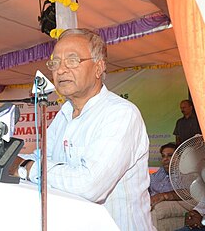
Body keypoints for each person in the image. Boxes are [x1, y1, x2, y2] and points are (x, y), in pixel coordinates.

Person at [12, 28, 153, 230]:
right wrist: (4, 157)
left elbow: (90, 186)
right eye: (55, 62)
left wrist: (26, 167)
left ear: (98, 67)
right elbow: (41, 157)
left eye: (72, 60)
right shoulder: (64, 114)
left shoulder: (120, 114)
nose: (60, 70)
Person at [149, 143, 181, 207]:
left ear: (179, 158)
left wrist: (164, 196)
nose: (165, 159)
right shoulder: (159, 172)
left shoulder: (185, 175)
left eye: (170, 155)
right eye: (163, 156)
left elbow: (188, 193)